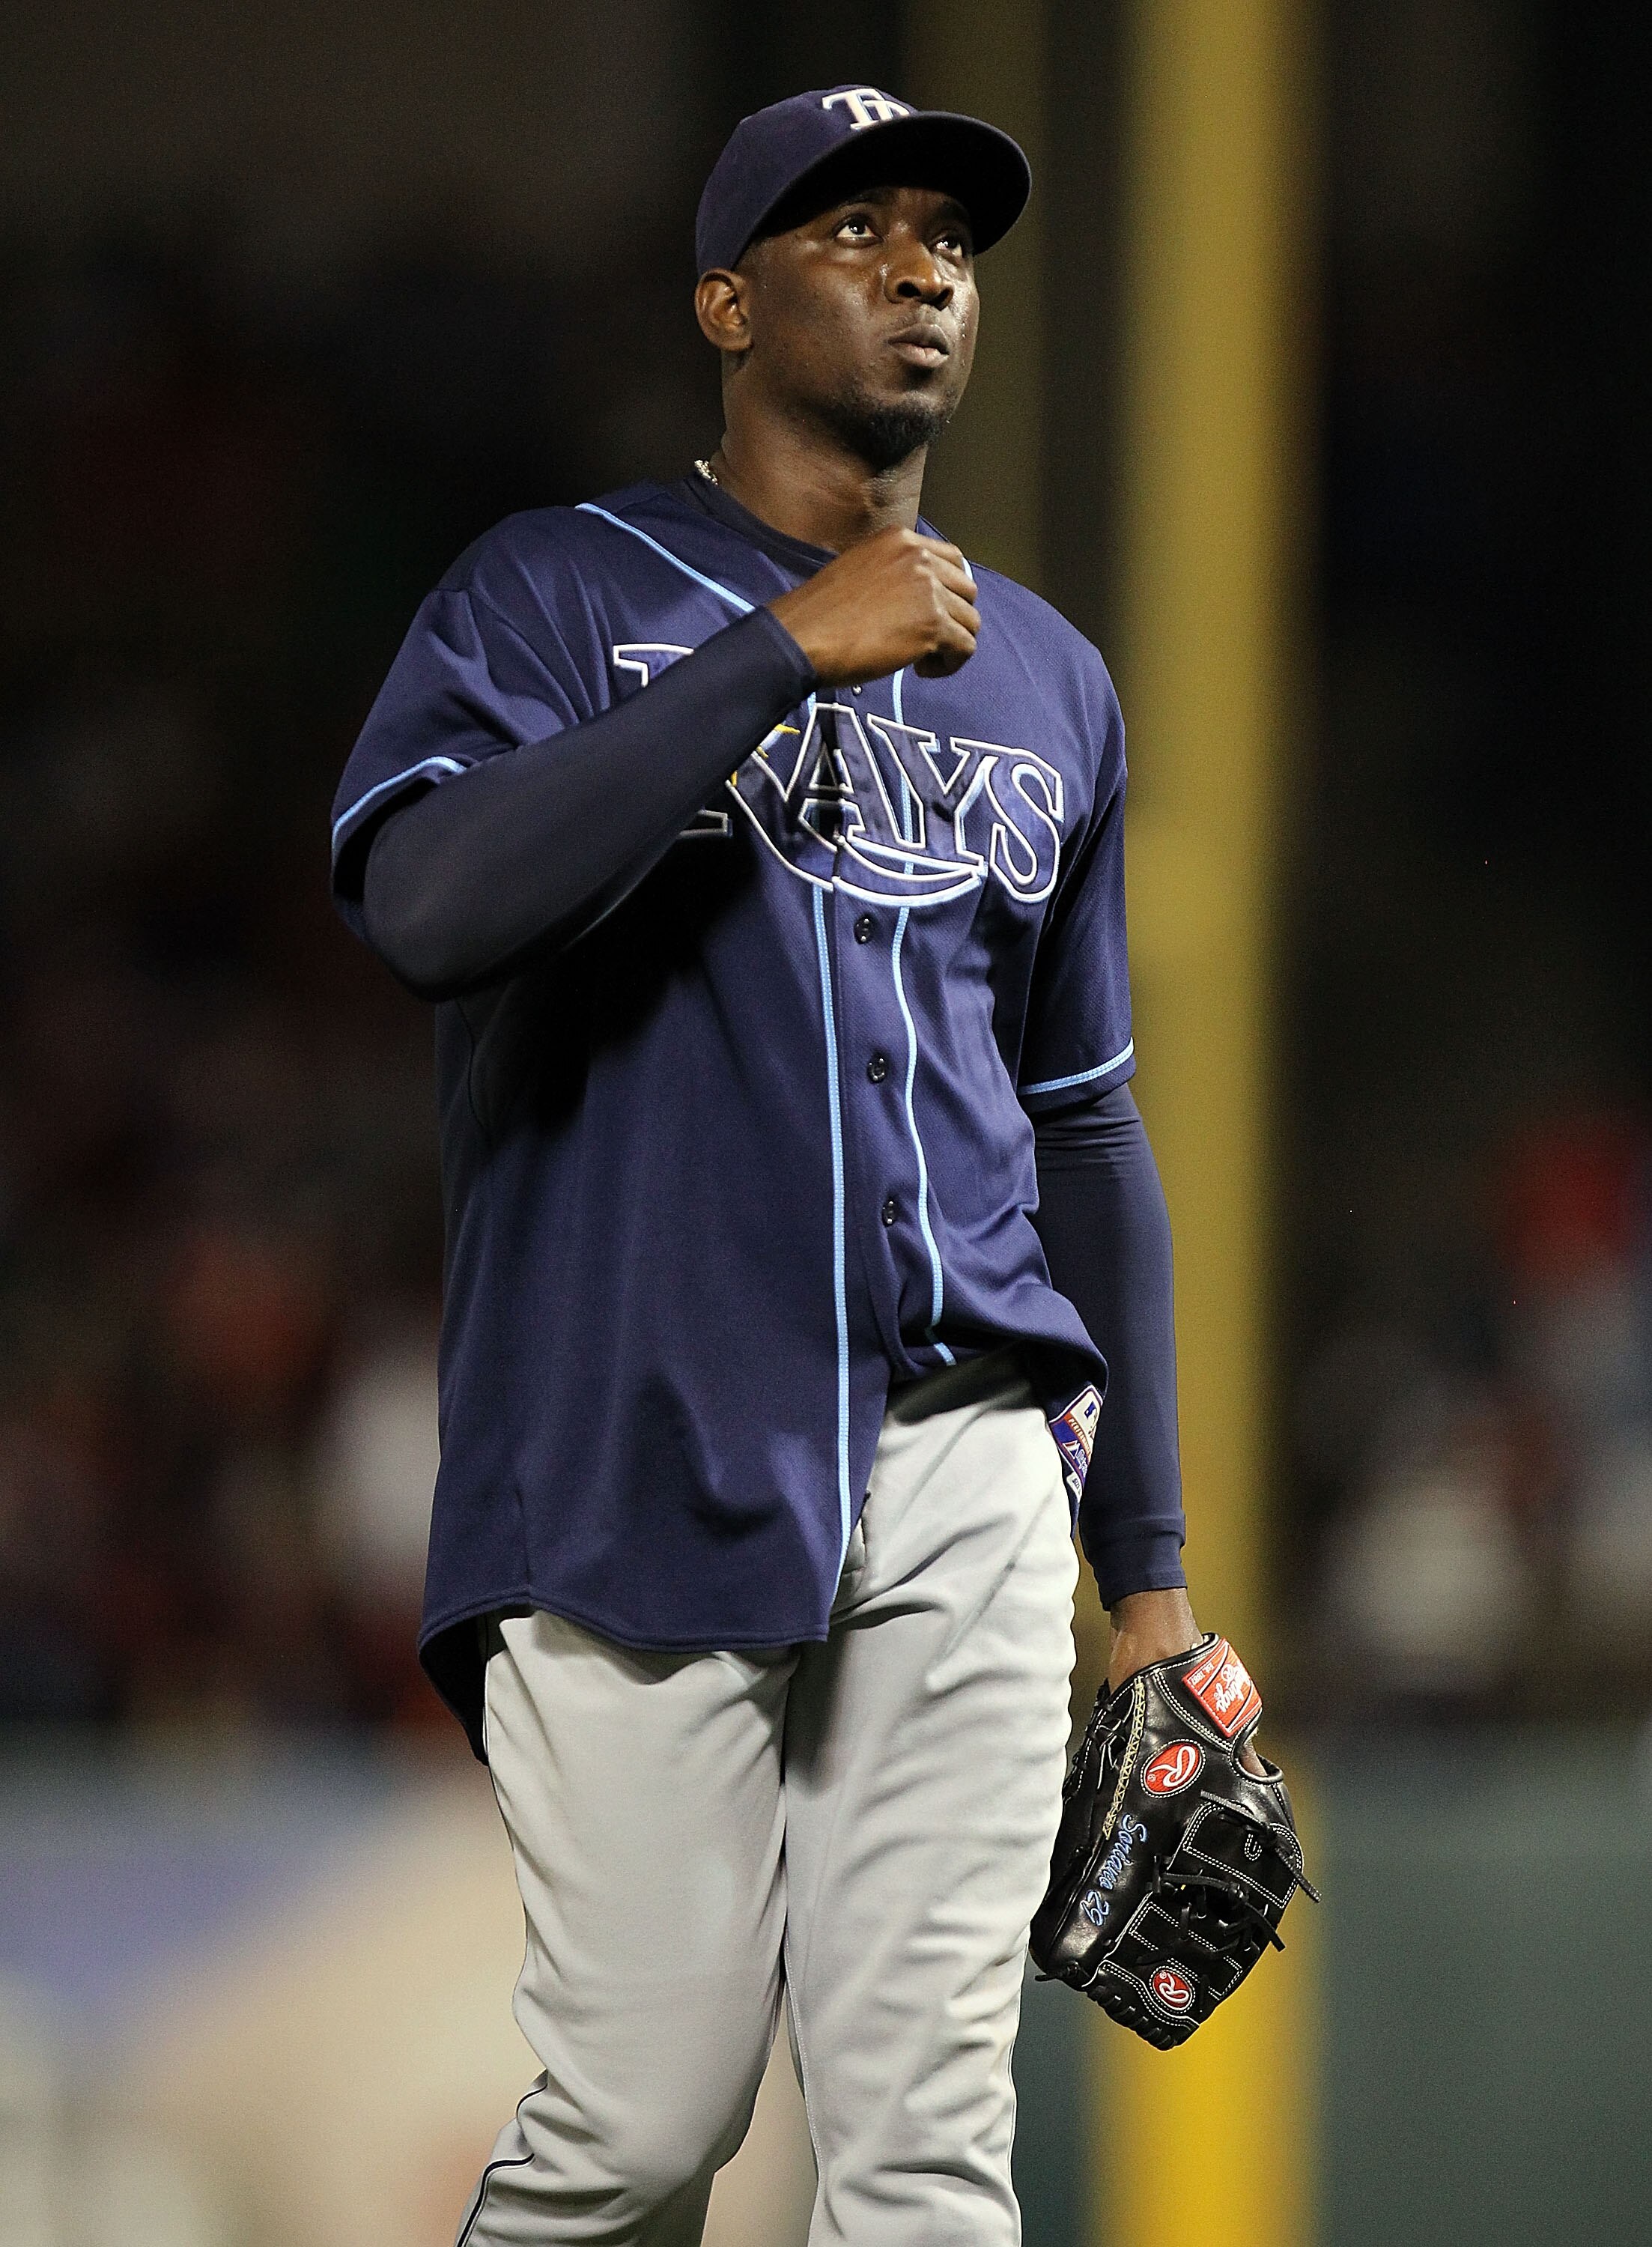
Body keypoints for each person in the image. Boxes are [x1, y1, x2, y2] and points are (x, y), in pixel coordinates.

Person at [332, 82, 1216, 2247]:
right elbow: (429, 906)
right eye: (856, 229)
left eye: (950, 240)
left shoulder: (1053, 682)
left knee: (922, 2154)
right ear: (726, 301)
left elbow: (1084, 1124)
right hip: (636, 1438)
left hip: (967, 1463)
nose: (922, 268)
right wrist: (771, 658)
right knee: (644, 2121)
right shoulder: (549, 595)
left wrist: (1157, 1584)